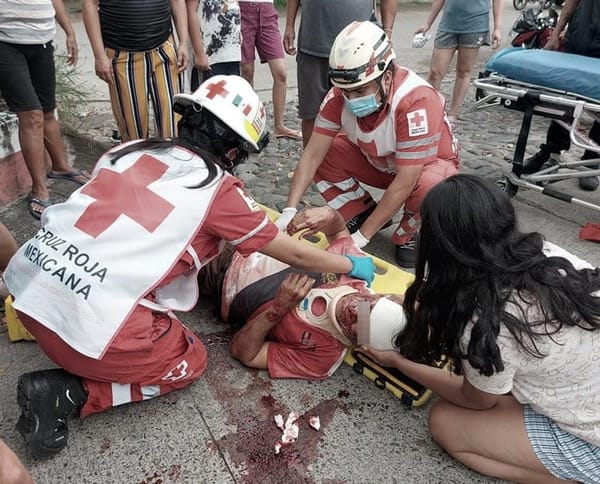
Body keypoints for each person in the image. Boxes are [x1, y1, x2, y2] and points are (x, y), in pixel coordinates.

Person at [3, 75, 375, 458]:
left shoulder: (128, 150)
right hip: (83, 331)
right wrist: (350, 263)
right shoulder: (217, 189)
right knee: (190, 361)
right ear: (234, 151)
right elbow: (292, 255)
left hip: (28, 289)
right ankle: (71, 394)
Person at [359, 174, 600, 483]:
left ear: (440, 247)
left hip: (590, 438)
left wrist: (397, 362)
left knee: (444, 422)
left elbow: (478, 400)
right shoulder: (547, 253)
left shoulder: (486, 323)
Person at [277, 21, 460, 268]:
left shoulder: (416, 101)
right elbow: (312, 155)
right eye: (346, 91)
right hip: (382, 163)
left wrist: (360, 240)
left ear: (386, 77)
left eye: (360, 90)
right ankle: (361, 213)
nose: (351, 99)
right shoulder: (339, 95)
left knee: (432, 185)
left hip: (423, 169)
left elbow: (406, 180)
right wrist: (288, 210)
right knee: (325, 153)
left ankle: (409, 233)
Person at [199, 205, 405, 379]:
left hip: (211, 273)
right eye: (368, 305)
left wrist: (277, 309)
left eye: (357, 326)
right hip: (246, 232)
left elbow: (244, 353)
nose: (353, 310)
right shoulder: (358, 276)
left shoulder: (322, 355)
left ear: (362, 346)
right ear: (381, 296)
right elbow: (338, 231)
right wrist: (328, 215)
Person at [0, 0, 91, 220]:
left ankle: (60, 166)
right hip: (6, 43)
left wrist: (69, 32)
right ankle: (39, 187)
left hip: (42, 41)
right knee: (31, 114)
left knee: (48, 110)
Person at [283, 0, 398, 145]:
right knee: (311, 113)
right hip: (313, 44)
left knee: (354, 112)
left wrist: (387, 31)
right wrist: (289, 25)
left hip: (359, 52)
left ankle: (349, 164)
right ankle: (312, 163)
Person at [81, 0, 189, 142]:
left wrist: (183, 43)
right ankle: (136, 161)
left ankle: (172, 161)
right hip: (124, 55)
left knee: (173, 122)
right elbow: (89, 4)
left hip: (164, 49)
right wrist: (99, 55)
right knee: (134, 130)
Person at [522, 0, 600, 191]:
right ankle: (552, 153)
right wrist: (556, 33)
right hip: (580, 35)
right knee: (564, 99)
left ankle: (591, 162)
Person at [415, 0, 502, 130]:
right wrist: (428, 23)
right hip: (448, 24)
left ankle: (452, 114)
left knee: (464, 70)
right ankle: (432, 110)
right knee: (435, 72)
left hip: (475, 26)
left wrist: (497, 28)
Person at [238, 0, 301, 140]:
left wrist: (289, 27)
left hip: (266, 10)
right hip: (241, 9)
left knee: (281, 72)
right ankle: (247, 125)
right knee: (247, 72)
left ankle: (279, 126)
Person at [187, 0, 242, 90]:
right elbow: (190, 11)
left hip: (232, 54)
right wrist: (199, 53)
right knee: (208, 98)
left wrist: (238, 32)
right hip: (210, 57)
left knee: (231, 96)